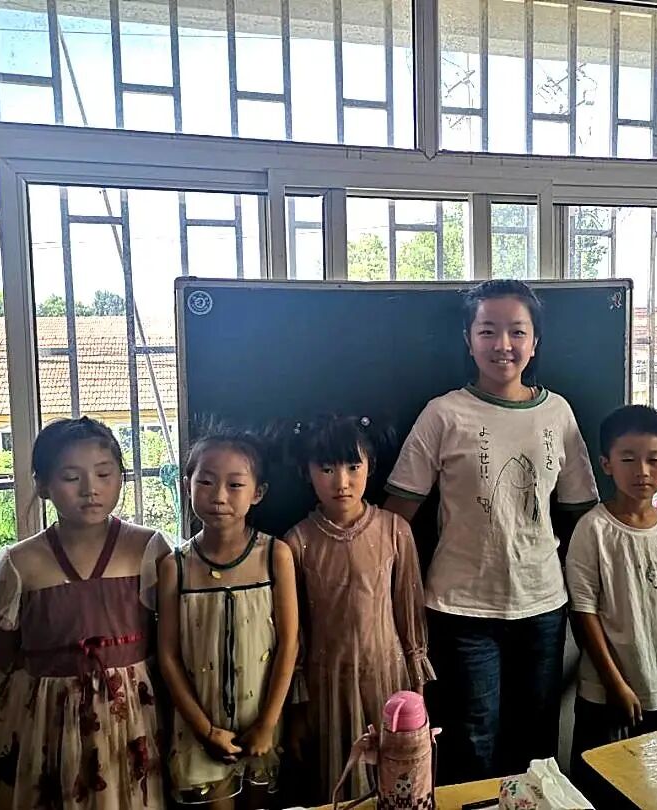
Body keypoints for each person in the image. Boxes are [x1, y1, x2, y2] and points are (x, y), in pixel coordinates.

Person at [384, 279, 599, 781]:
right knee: (472, 741)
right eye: (488, 331)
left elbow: (583, 516)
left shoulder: (558, 413)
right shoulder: (443, 413)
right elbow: (396, 518)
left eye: (517, 332)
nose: (503, 344)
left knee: (537, 740)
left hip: (542, 604)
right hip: (461, 609)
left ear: (535, 341)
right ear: (468, 339)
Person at [0, 416, 171, 810]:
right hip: (49, 720)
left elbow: (172, 638)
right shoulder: (21, 562)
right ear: (43, 485)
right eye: (71, 477)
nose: (91, 489)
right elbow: (2, 652)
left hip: (131, 716)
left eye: (104, 474)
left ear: (121, 476)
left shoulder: (148, 549)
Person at [284, 415, 432, 803]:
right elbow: (294, 632)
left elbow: (409, 614)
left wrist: (417, 692)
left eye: (353, 467)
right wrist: (297, 711)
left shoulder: (395, 531)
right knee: (338, 779)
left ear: (370, 466)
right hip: (327, 684)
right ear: (307, 472)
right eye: (327, 469)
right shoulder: (297, 542)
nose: (342, 482)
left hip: (389, 678)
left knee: (397, 780)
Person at [157, 428, 299, 808]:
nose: (219, 496)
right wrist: (205, 731)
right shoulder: (174, 567)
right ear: (186, 484)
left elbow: (289, 644)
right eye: (205, 481)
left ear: (258, 492)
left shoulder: (275, 556)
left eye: (235, 485)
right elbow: (168, 656)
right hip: (198, 731)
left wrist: (267, 724)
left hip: (261, 728)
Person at [565, 405, 657, 768]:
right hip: (607, 692)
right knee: (600, 779)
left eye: (653, 460)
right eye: (628, 459)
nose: (642, 471)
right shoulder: (593, 529)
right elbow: (583, 613)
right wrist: (615, 683)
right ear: (606, 464)